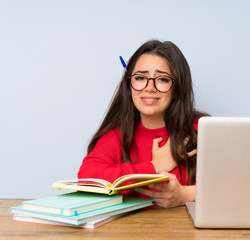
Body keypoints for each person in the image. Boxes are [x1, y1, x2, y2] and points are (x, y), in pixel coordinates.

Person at [78, 40, 209, 208]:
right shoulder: (116, 137)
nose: (149, 87)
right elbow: (87, 179)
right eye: (140, 77)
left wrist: (185, 195)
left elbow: (237, 185)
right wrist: (155, 166)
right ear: (129, 85)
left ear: (177, 88)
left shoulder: (201, 131)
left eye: (162, 79)